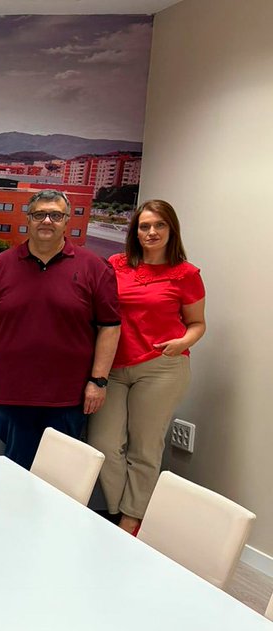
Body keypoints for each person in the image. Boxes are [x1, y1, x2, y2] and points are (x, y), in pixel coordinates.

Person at [0, 189, 121, 468]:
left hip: (70, 397)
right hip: (13, 394)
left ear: (67, 221)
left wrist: (98, 382)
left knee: (61, 476)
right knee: (16, 471)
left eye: (55, 215)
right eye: (39, 214)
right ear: (29, 219)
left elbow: (109, 328)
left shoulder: (95, 268)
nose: (47, 221)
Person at [88, 200, 206, 534]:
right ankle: (121, 508)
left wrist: (184, 342)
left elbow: (197, 323)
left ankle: (131, 520)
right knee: (104, 444)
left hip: (160, 368)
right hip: (113, 367)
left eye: (159, 225)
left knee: (144, 447)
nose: (151, 232)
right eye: (144, 226)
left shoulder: (186, 274)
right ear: (135, 231)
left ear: (172, 230)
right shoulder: (116, 264)